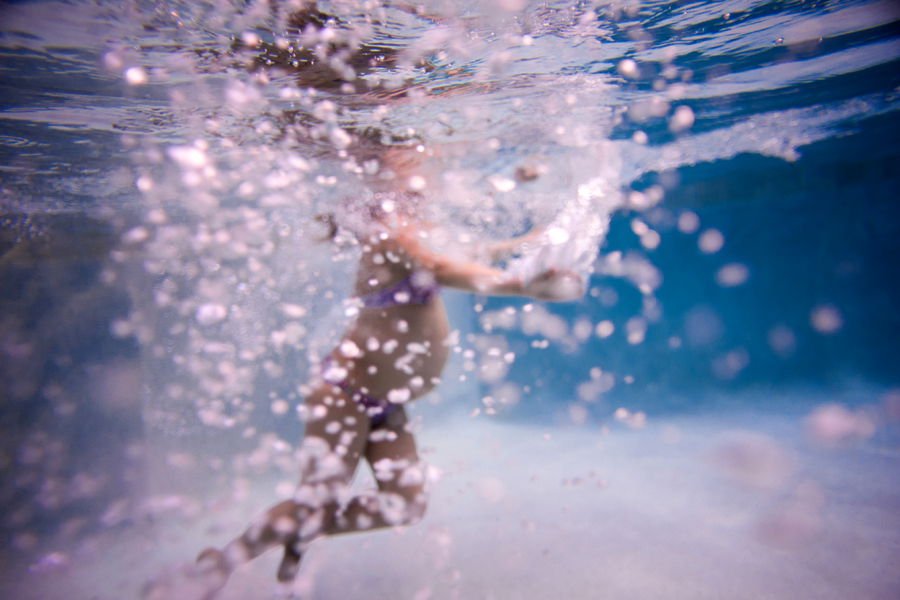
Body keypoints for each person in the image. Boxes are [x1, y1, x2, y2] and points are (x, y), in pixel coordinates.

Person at [193, 190, 585, 591]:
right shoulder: (389, 240)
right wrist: (519, 286)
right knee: (315, 506)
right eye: (412, 189)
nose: (423, 192)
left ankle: (301, 534)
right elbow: (442, 266)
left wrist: (524, 246)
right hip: (343, 397)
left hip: (384, 402)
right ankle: (222, 562)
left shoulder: (407, 241)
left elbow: (465, 253)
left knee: (404, 504)